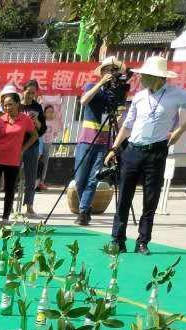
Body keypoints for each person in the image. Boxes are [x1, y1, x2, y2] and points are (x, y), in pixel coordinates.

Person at [104, 55, 186, 256]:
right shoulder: (140, 96)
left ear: (158, 77)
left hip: (156, 152)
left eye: (146, 75)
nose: (141, 78)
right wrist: (114, 148)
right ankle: (117, 240)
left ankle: (142, 241)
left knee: (151, 199)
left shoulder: (176, 94)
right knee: (124, 197)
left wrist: (179, 131)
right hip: (133, 150)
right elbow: (127, 125)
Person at [72, 57, 129, 226]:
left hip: (103, 142)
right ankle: (86, 207)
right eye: (108, 70)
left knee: (93, 178)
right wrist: (101, 84)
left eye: (114, 70)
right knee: (80, 179)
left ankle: (83, 212)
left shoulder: (115, 94)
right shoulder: (91, 86)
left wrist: (121, 100)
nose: (111, 73)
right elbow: (83, 101)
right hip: (86, 140)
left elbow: (120, 118)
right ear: (102, 72)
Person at [0, 88, 36, 222]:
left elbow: (34, 136)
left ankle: (5, 217)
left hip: (13, 161)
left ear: (18, 104)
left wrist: (23, 149)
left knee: (10, 190)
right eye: (5, 105)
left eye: (10, 104)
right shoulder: (0, 120)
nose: (7, 108)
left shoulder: (25, 120)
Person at [18, 79, 46, 216]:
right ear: (23, 91)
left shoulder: (38, 107)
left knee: (31, 177)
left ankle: (29, 206)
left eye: (33, 93)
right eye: (28, 92)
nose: (30, 96)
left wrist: (37, 123)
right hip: (16, 145)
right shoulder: (17, 105)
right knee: (13, 176)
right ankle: (10, 205)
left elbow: (43, 128)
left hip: (32, 145)